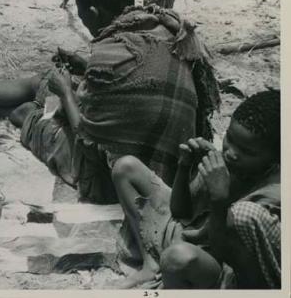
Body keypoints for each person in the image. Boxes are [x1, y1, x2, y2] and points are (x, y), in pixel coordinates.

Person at [0, 0, 220, 203]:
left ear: (93, 13)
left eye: (83, 18)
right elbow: (141, 81)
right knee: (43, 86)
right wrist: (84, 66)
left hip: (119, 179)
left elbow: (88, 138)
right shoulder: (167, 29)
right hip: (171, 168)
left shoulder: (110, 56)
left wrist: (66, 92)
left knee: (25, 111)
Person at [110, 90, 280, 288]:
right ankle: (151, 264)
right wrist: (185, 167)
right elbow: (180, 211)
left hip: (220, 266)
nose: (231, 153)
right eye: (230, 139)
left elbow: (226, 256)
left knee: (178, 258)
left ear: (275, 158)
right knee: (126, 167)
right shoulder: (229, 164)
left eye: (247, 152)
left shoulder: (270, 197)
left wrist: (219, 200)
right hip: (192, 235)